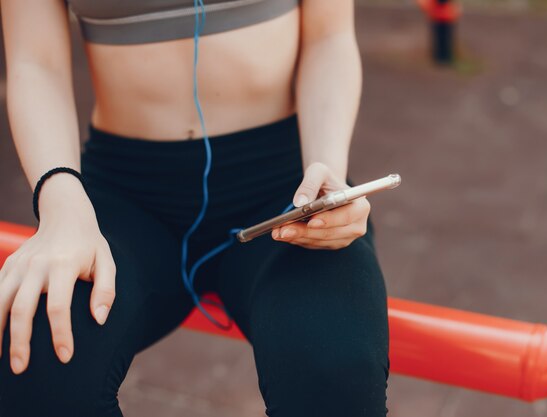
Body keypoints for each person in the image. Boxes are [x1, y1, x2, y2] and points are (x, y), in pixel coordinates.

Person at [0, 0, 391, 416]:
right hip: (124, 195)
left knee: (333, 372)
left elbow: (329, 37)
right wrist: (61, 204)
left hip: (287, 193)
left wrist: (328, 174)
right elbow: (35, 62)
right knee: (40, 363)